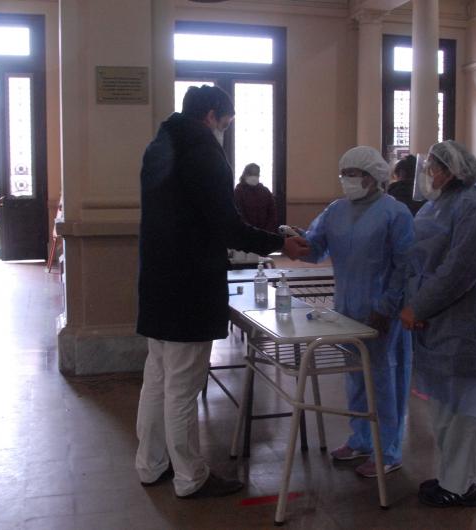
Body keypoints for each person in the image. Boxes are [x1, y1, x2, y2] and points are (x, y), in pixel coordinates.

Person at [135, 85, 310, 499]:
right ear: (212, 115)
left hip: (158, 282)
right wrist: (280, 244)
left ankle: (150, 464)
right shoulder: (204, 153)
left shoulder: (159, 145)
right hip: (188, 287)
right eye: (227, 120)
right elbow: (226, 225)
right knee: (182, 387)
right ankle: (190, 476)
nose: (227, 128)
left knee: (157, 379)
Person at [399, 140, 476, 508]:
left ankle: (460, 487)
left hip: (463, 322)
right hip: (441, 321)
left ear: (451, 169)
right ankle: (455, 478)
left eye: (434, 166)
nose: (429, 173)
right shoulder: (444, 203)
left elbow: (459, 271)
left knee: (460, 412)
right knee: (445, 409)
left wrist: (419, 307)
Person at [299, 146, 413, 478]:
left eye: (354, 174)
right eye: (344, 173)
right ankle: (361, 439)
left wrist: (387, 306)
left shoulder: (396, 213)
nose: (348, 179)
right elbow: (315, 247)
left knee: (384, 379)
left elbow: (405, 267)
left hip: (382, 313)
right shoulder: (336, 210)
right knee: (355, 377)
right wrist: (294, 241)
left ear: (373, 177)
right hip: (347, 309)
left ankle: (389, 451)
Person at [233, 163, 276, 232]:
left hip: (266, 233)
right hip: (246, 233)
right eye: (251, 174)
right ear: (245, 175)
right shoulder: (238, 192)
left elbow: (272, 213)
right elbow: (239, 215)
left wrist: (267, 231)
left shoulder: (265, 191)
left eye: (256, 174)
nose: (254, 177)